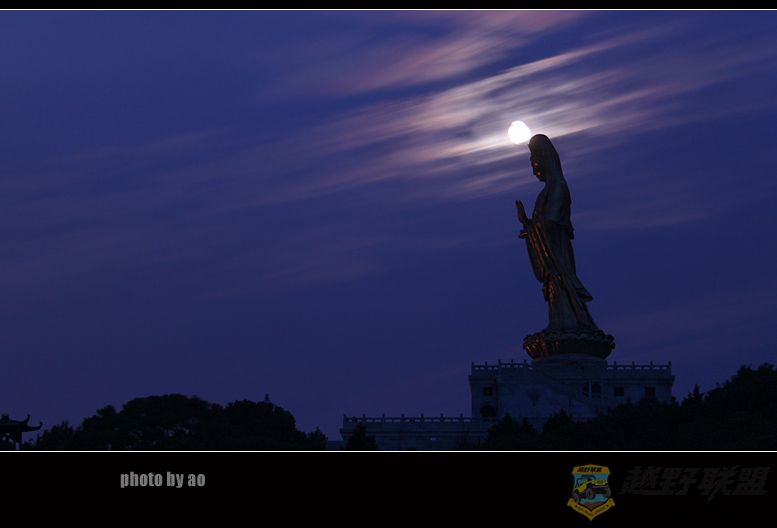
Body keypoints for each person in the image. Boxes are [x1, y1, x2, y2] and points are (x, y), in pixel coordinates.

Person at [516, 134, 598, 333]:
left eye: (534, 162)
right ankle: (560, 321)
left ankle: (570, 322)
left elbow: (551, 222)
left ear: (545, 159)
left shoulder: (558, 187)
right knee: (554, 288)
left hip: (557, 253)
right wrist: (528, 224)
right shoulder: (545, 192)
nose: (533, 169)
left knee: (562, 286)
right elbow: (542, 224)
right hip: (550, 257)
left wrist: (533, 228)